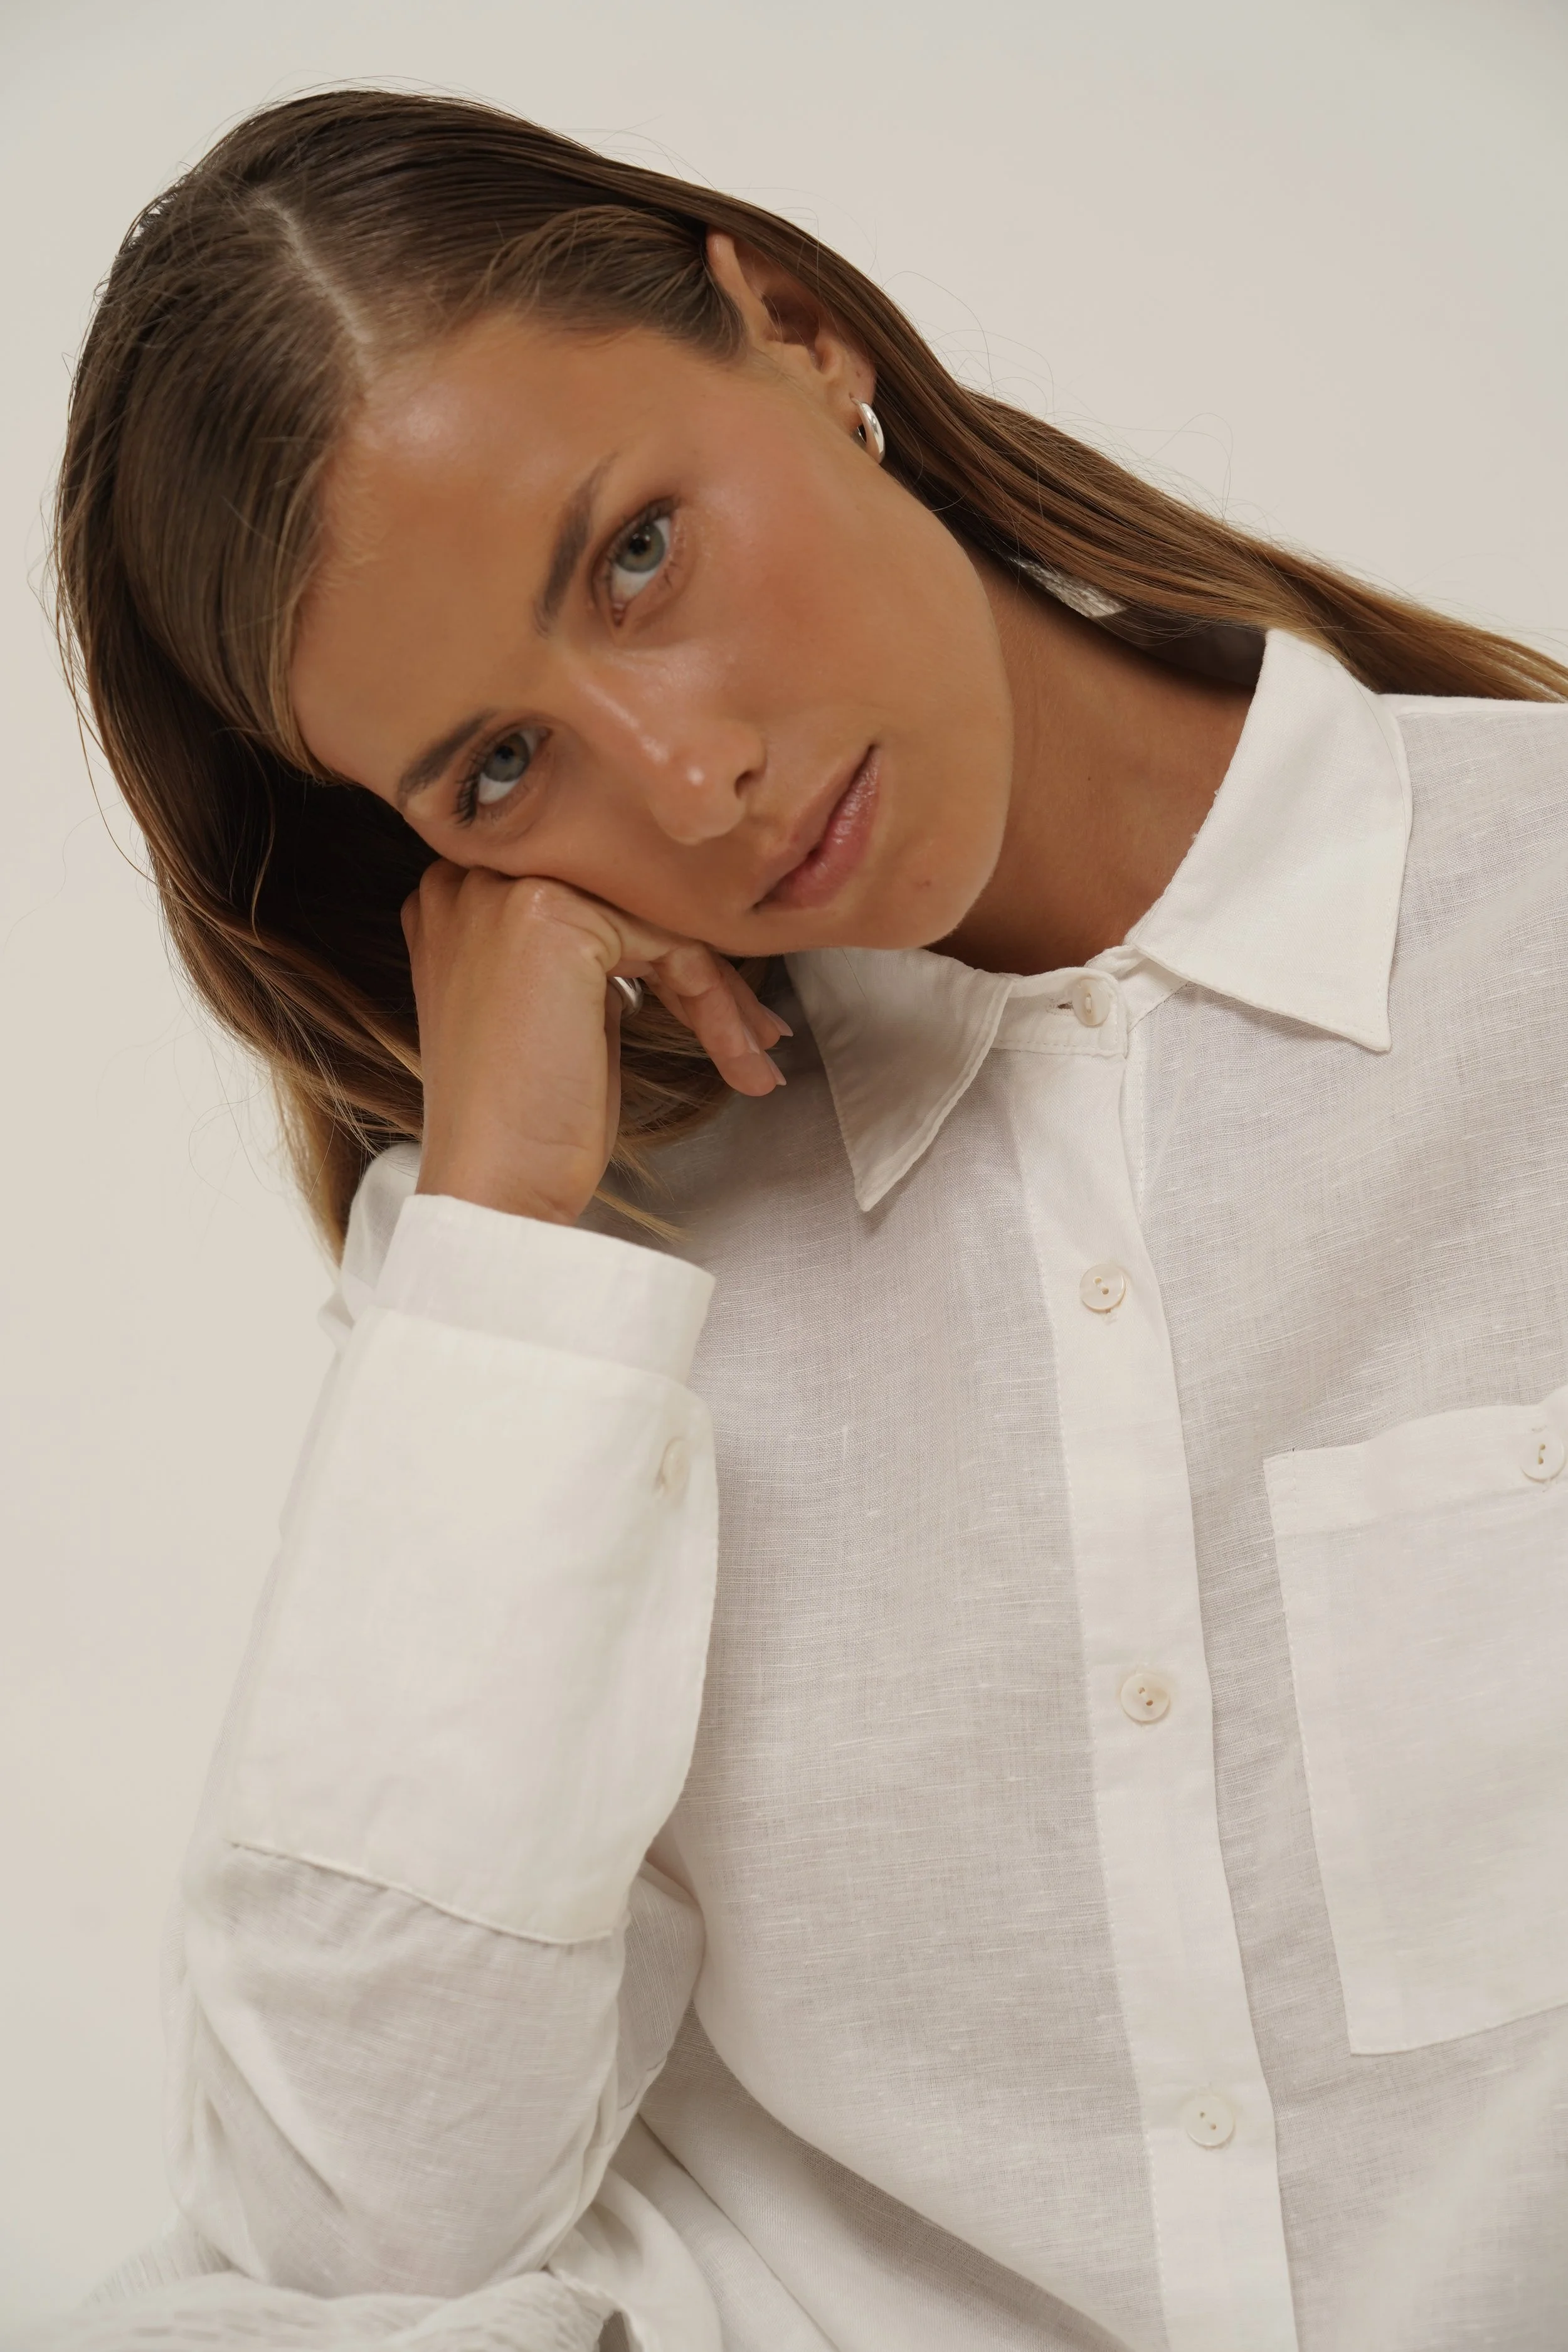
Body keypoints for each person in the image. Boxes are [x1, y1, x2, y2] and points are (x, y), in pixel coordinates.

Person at [50, 86, 1568, 2352]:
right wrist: (493, 1247)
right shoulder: (571, 1280)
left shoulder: (1524, 945)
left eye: (633, 553)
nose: (683, 783)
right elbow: (351, 2241)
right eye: (495, 767)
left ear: (797, 332)